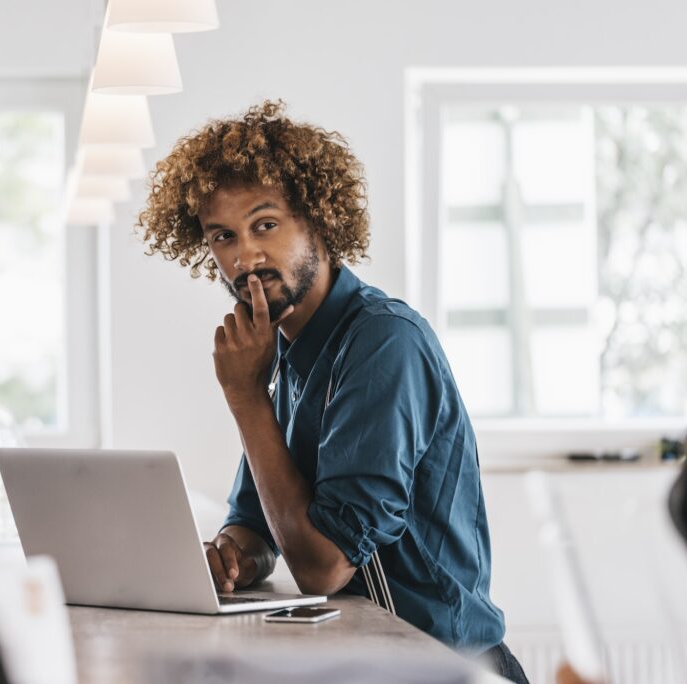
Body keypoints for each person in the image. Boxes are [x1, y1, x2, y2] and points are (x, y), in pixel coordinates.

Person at [135, 100, 528, 683]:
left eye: (265, 225)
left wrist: (245, 397)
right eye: (223, 236)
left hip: (445, 667)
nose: (245, 258)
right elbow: (261, 522)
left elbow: (322, 566)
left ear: (318, 219)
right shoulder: (286, 352)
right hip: (366, 660)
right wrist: (233, 555)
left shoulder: (382, 343)